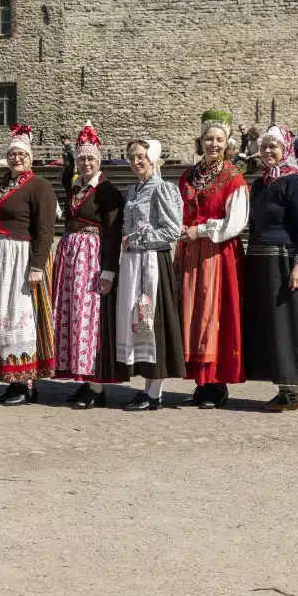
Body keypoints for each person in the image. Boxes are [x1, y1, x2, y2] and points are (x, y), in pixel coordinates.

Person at [174, 110, 249, 409]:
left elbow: (236, 221)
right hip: (191, 252)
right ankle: (199, 380)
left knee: (213, 314)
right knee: (192, 314)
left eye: (219, 139)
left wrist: (200, 230)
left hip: (218, 254)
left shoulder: (233, 177)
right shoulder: (188, 176)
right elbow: (176, 209)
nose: (213, 144)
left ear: (227, 143)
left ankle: (216, 383)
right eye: (208, 139)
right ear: (200, 141)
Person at [0, 124, 57, 405]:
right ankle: (10, 379)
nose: (16, 159)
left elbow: (46, 229)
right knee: (1, 315)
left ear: (31, 157)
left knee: (20, 315)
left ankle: (26, 382)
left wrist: (37, 265)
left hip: (21, 257)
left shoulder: (39, 186)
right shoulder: (0, 187)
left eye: (22, 154)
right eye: (12, 154)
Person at [245, 125, 298, 411]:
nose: (268, 152)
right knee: (270, 325)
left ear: (285, 148)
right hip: (260, 260)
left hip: (284, 260)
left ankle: (293, 392)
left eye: (274, 146)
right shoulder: (261, 184)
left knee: (289, 324)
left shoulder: (295, 183)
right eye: (265, 147)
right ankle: (282, 385)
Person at [53, 123, 124, 409]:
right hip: (71, 256)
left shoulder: (106, 191)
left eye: (90, 158)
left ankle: (96, 384)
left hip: (92, 258)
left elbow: (113, 232)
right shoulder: (75, 187)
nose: (86, 163)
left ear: (99, 159)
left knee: (89, 318)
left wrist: (108, 271)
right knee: (72, 315)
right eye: (82, 158)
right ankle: (82, 380)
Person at [116, 138, 185, 411]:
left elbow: (172, 229)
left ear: (152, 158)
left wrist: (136, 239)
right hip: (133, 264)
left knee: (153, 323)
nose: (135, 162)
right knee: (138, 322)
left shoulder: (163, 189)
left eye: (141, 156)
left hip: (154, 263)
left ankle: (155, 391)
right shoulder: (132, 190)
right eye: (131, 157)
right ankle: (147, 388)